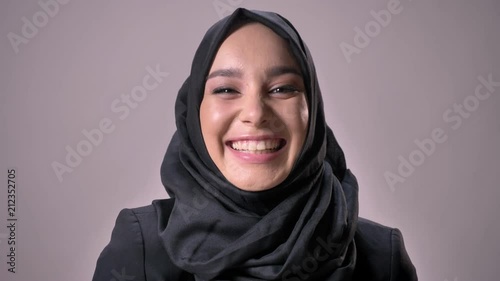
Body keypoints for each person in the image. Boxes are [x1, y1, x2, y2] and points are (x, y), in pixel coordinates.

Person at [92, 8, 417, 281]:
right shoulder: (142, 249)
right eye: (226, 90)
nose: (256, 113)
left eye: (281, 89)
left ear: (313, 110)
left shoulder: (381, 258)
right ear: (194, 112)